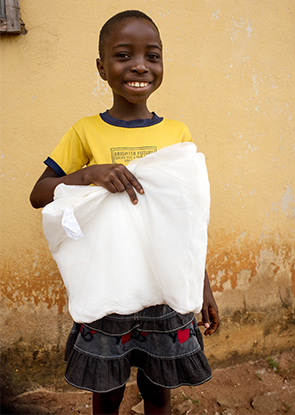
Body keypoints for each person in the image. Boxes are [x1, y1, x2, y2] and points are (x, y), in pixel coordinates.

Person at [30, 10, 220, 415]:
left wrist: (201, 285)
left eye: (152, 56)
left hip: (165, 290)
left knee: (158, 391)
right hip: (109, 290)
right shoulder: (85, 132)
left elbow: (188, 220)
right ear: (102, 68)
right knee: (108, 392)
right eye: (123, 55)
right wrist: (89, 174)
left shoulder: (177, 135)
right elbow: (39, 194)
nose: (139, 66)